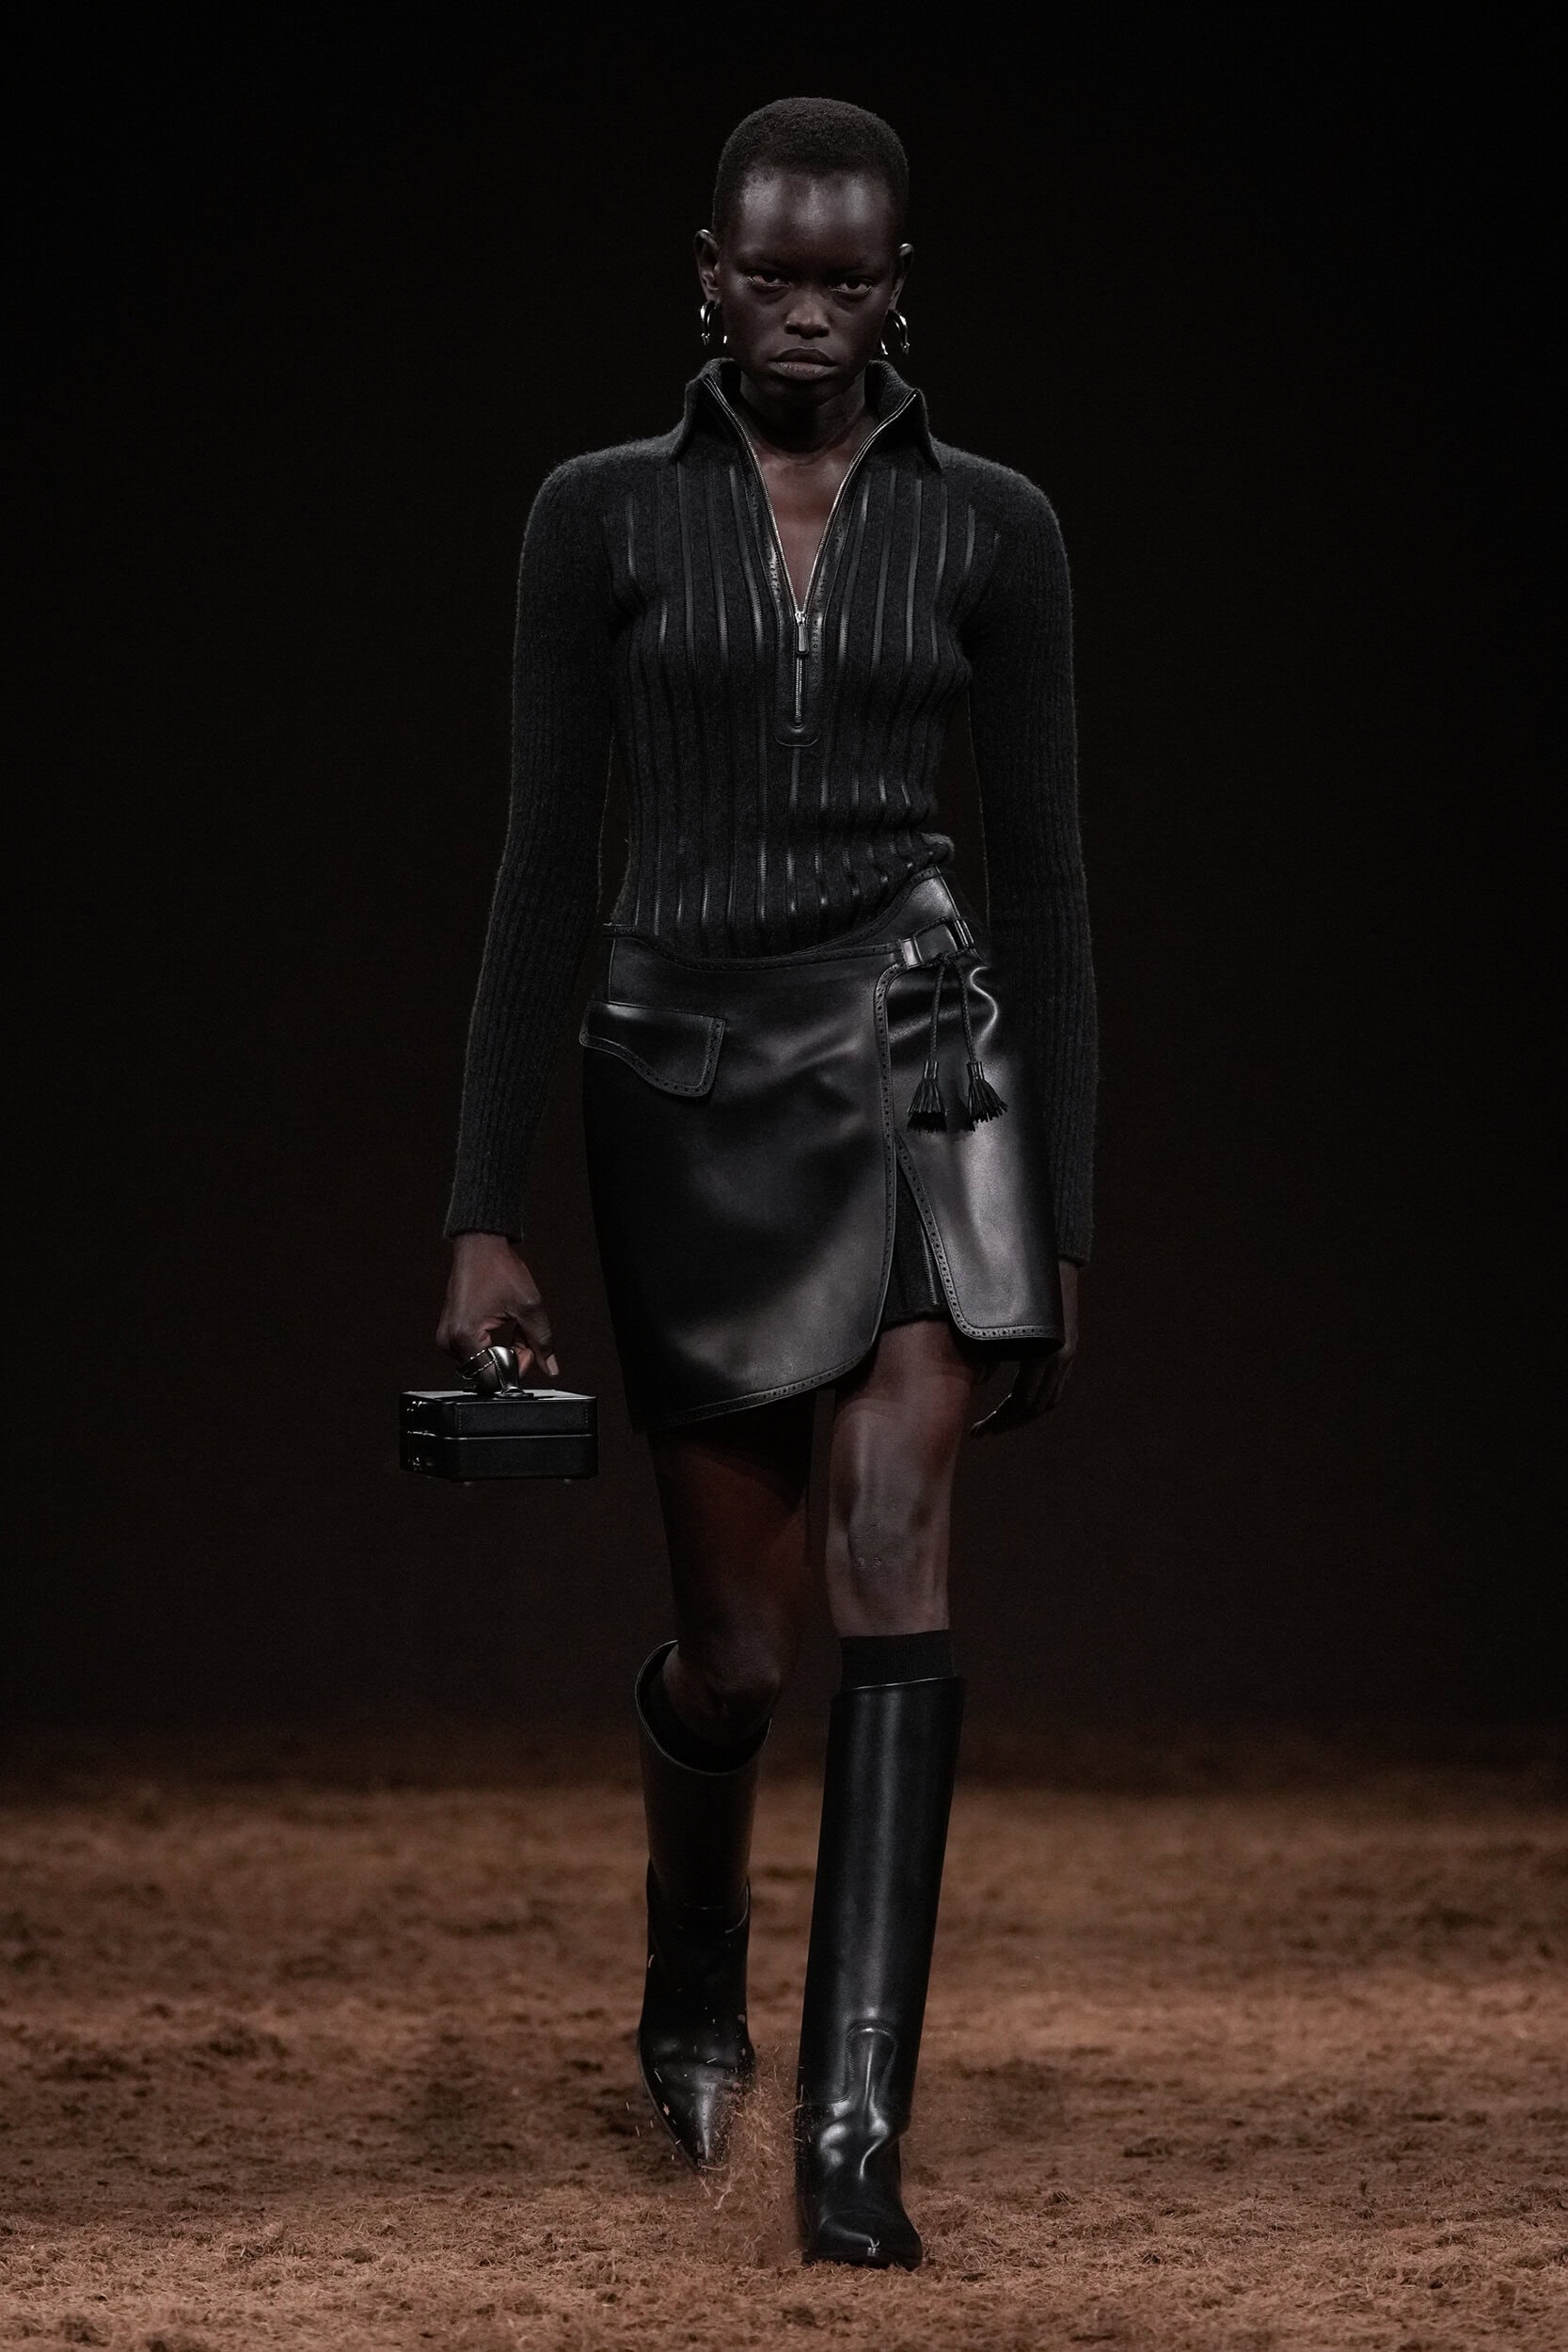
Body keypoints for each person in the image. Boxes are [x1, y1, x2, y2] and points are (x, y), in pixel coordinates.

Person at [436, 96, 1095, 2270]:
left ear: (902, 291)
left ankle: (849, 2136)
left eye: (850, 278)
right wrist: (480, 1211)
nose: (810, 311)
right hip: (687, 1069)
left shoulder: (994, 527)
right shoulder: (599, 516)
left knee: (897, 1543)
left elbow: (1047, 880)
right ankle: (693, 1967)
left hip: (920, 1041)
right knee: (738, 1644)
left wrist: (1060, 1207)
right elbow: (544, 865)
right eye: (774, 273)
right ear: (706, 274)